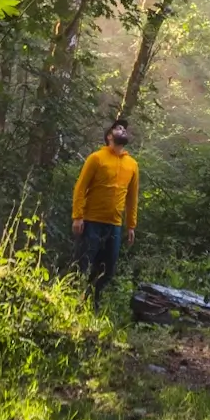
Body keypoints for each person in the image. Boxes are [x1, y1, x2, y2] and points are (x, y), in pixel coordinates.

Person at [70, 119, 139, 293]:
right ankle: (71, 299)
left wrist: (131, 225)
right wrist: (77, 217)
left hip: (114, 225)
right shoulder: (96, 158)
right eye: (117, 128)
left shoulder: (132, 164)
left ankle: (92, 301)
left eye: (124, 128)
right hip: (91, 221)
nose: (122, 129)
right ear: (109, 136)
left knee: (107, 269)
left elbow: (132, 197)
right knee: (83, 264)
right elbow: (80, 187)